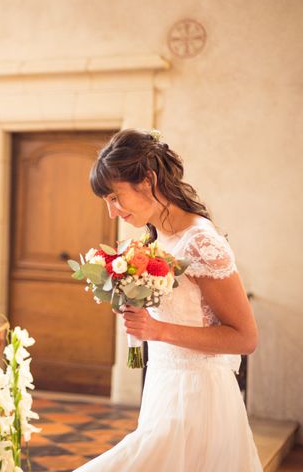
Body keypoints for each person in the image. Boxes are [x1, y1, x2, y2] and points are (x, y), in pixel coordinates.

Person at [74, 129, 261, 471]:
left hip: (197, 400)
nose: (112, 213)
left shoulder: (202, 243)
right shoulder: (158, 240)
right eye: (106, 202)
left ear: (148, 180)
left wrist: (157, 330)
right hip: (164, 387)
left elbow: (245, 338)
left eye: (115, 197)